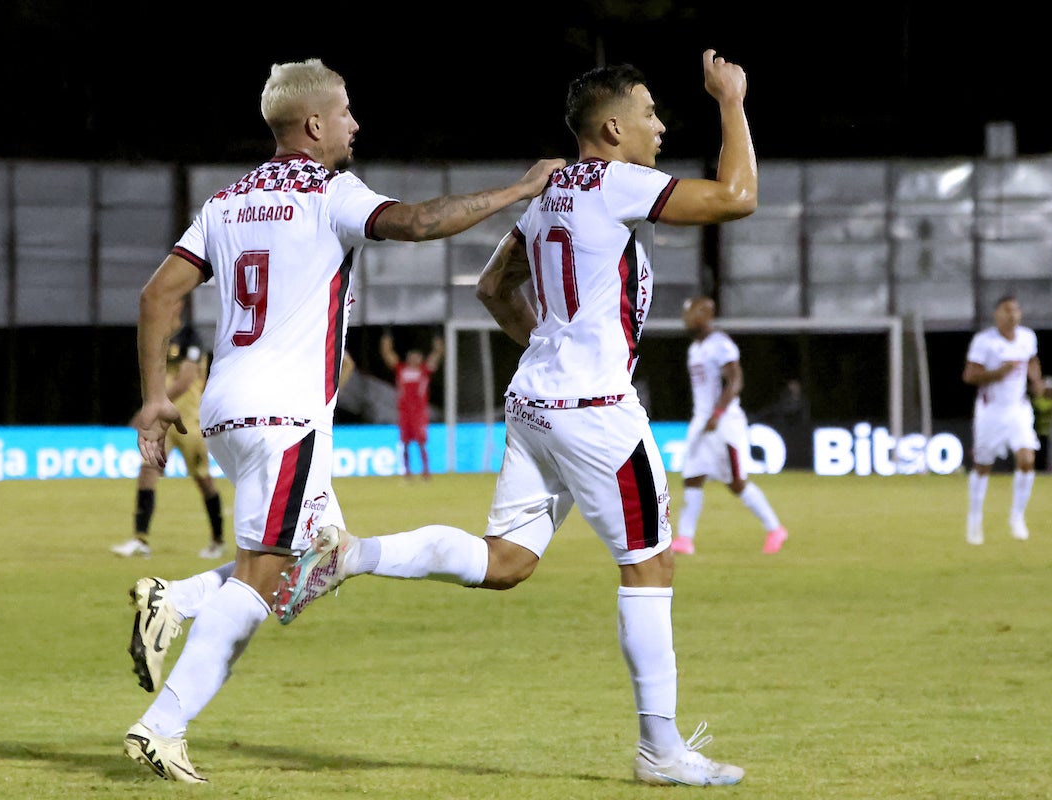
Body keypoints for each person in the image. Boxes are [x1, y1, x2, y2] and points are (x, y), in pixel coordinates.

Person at [275, 50, 758, 786]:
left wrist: (548, 347)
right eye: (650, 113)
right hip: (596, 408)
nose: (660, 125)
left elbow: (495, 285)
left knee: (506, 563)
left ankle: (353, 554)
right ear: (611, 126)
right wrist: (731, 101)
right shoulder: (617, 181)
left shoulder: (551, 196)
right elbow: (738, 197)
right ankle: (659, 750)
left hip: (535, 403)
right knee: (650, 564)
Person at [120, 56, 564, 783]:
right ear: (315, 124)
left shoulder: (226, 201)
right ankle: (161, 726)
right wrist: (518, 190)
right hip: (285, 414)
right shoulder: (329, 192)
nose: (355, 124)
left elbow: (155, 297)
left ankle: (175, 600)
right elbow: (419, 221)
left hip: (231, 410)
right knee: (264, 578)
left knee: (320, 556)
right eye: (348, 112)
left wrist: (155, 396)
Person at [672, 296, 788, 556]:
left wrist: (718, 412)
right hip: (702, 421)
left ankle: (775, 529)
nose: (687, 319)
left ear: (705, 315)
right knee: (692, 477)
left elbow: (735, 381)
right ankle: (684, 539)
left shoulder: (720, 344)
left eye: (691, 313)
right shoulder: (695, 348)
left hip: (724, 424)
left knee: (736, 482)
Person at [112, 299, 226, 559]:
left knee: (203, 479)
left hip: (187, 422)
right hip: (164, 423)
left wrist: (154, 404)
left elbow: (186, 380)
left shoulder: (190, 338)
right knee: (148, 471)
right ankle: (140, 540)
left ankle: (217, 540)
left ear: (177, 307)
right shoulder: (160, 337)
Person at [961, 294, 1044, 545]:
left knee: (1027, 459)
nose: (1013, 315)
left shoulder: (1027, 337)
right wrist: (1000, 372)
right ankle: (974, 519)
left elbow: (1032, 360)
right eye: (1007, 311)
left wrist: (1036, 381)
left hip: (1018, 409)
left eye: (1016, 310)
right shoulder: (984, 342)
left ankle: (1017, 517)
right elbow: (970, 376)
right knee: (983, 466)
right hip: (991, 411)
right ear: (997, 315)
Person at [380, 329, 444, 478]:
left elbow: (437, 354)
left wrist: (438, 338)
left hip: (419, 413)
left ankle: (426, 470)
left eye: (417, 356)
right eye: (412, 356)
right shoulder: (401, 369)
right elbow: (387, 354)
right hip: (404, 412)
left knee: (421, 442)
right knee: (405, 443)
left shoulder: (424, 370)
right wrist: (387, 336)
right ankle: (407, 471)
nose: (414, 358)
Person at [1030, 375, 1052, 472]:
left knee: (1048, 452)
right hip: (1038, 431)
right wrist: (1038, 394)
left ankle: (1046, 468)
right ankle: (1036, 468)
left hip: (1050, 432)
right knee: (1037, 451)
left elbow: (1047, 407)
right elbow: (1040, 407)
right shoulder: (1040, 400)